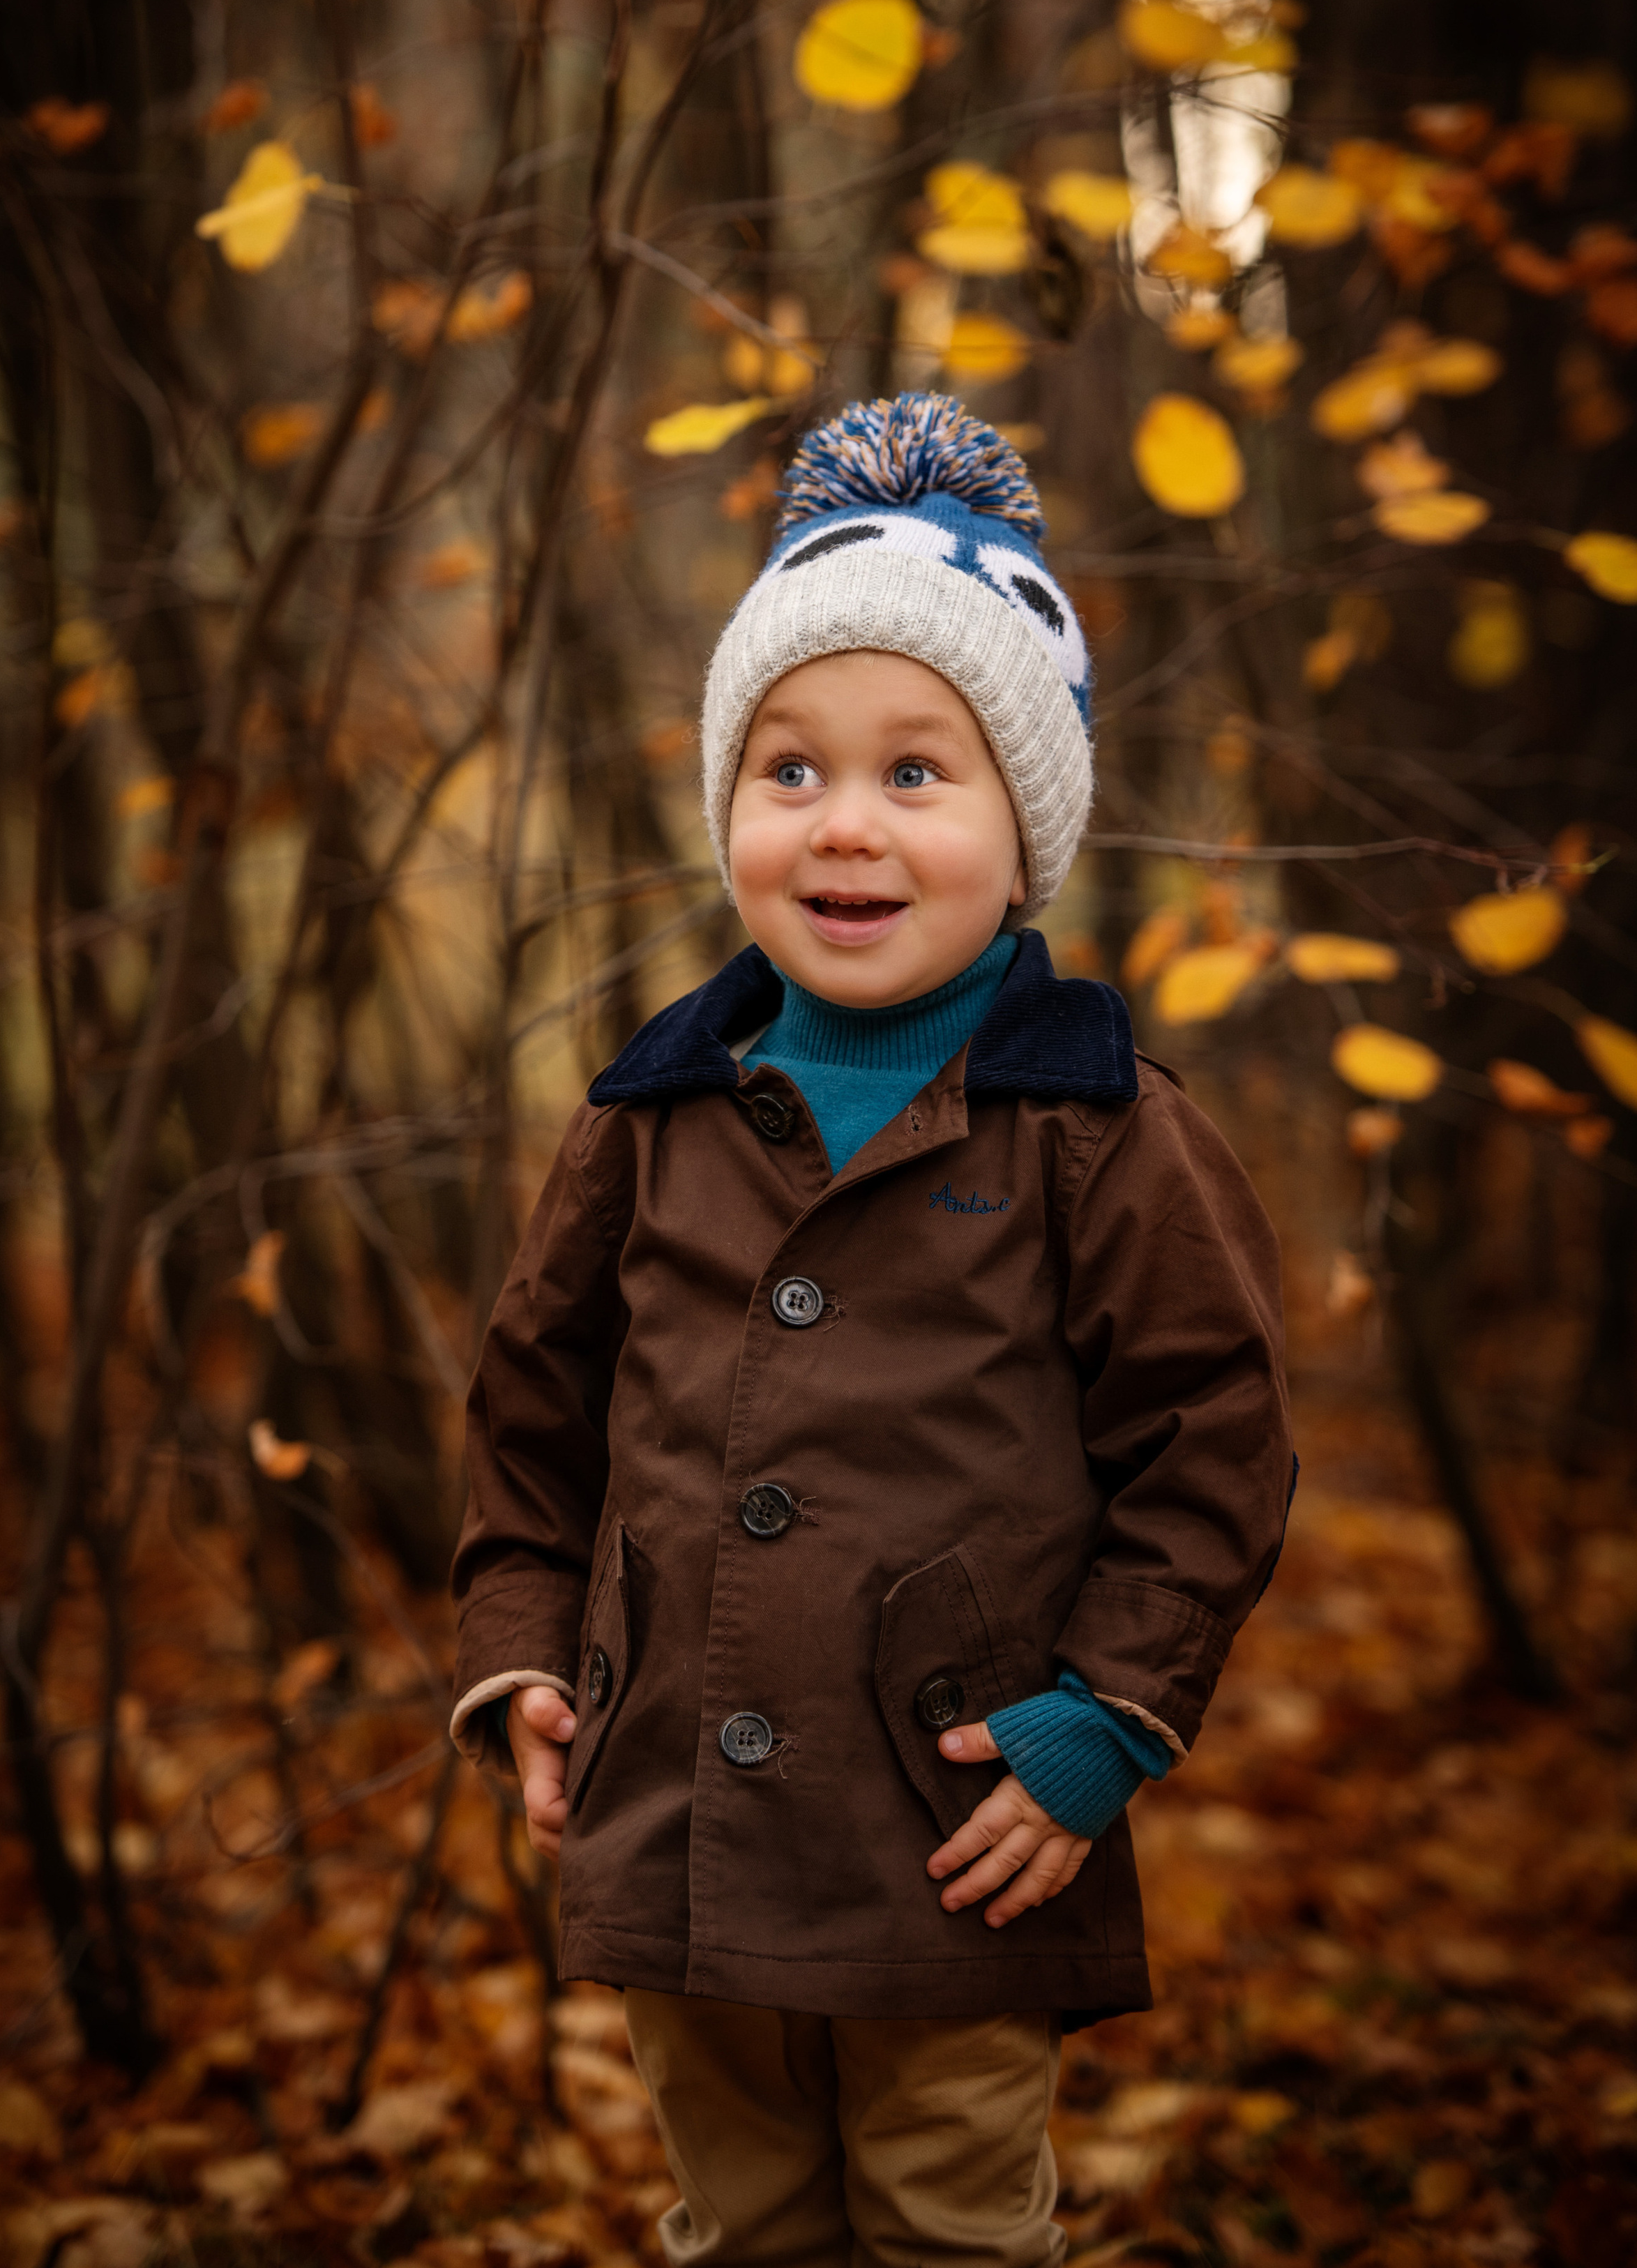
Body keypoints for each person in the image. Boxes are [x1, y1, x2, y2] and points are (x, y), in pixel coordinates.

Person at [448, 394, 1295, 2267]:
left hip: (956, 1822)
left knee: (947, 2225)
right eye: (791, 770)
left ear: (1024, 827)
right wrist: (521, 1649)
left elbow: (1216, 1442)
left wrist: (1106, 1721)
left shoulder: (1095, 1128)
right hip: (679, 1804)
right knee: (742, 2221)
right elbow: (534, 1413)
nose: (845, 824)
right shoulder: (652, 1115)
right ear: (730, 811)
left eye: (918, 773)